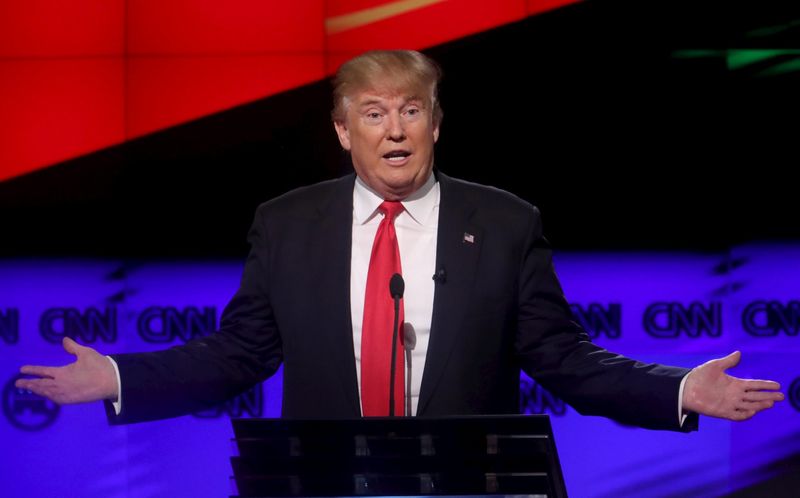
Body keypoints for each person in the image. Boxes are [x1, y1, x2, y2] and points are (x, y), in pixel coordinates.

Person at [16, 50, 783, 429]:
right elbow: (238, 354)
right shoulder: (287, 225)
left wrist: (679, 388)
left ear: (437, 125)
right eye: (375, 113)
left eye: (411, 111)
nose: (395, 129)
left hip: (463, 482)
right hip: (321, 480)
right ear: (344, 131)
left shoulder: (505, 222)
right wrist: (120, 377)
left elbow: (564, 358)